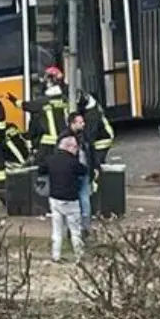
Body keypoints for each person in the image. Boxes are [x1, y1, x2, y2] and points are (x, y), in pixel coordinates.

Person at [40, 136, 87, 264]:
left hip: (55, 199)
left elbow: (41, 169)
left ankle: (56, 256)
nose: (76, 150)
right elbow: (84, 171)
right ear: (69, 147)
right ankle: (79, 256)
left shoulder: (50, 159)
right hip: (71, 200)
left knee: (57, 230)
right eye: (76, 147)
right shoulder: (73, 162)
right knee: (75, 230)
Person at [58, 112, 92, 234]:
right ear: (72, 123)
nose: (83, 124)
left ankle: (80, 226)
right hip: (73, 172)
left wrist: (95, 168)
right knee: (82, 198)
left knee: (79, 198)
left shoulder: (79, 136)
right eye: (80, 122)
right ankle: (82, 225)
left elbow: (91, 153)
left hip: (81, 172)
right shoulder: (69, 137)